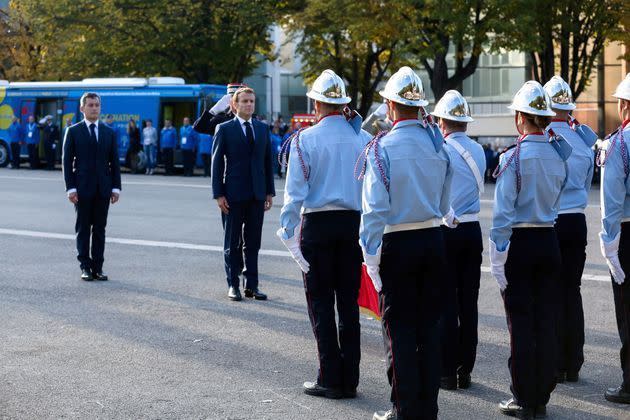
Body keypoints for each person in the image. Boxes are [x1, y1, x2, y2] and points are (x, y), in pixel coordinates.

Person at [361, 66, 453, 420]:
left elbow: (374, 211)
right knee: (428, 327)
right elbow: (445, 204)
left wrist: (370, 257)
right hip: (432, 238)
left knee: (398, 330)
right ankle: (427, 408)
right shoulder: (438, 146)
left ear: (389, 105)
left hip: (397, 243)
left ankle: (403, 409)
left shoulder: (381, 147)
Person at [278, 69, 370, 400]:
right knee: (348, 304)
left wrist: (287, 228)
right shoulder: (363, 138)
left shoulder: (305, 139)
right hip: (352, 225)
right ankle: (350, 378)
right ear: (343, 105)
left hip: (317, 225)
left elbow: (294, 194)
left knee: (319, 303)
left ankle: (329, 376)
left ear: (316, 104)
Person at [490, 81, 570, 419]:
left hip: (522, 243)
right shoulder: (558, 155)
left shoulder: (513, 157)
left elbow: (502, 214)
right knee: (545, 319)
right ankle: (541, 395)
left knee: (520, 323)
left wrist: (497, 254)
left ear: (522, 117)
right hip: (548, 238)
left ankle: (523, 397)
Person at [431, 90, 486, 391]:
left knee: (446, 302)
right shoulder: (477, 150)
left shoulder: (441, 149)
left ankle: (446, 370)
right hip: (472, 230)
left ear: (442, 121)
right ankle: (466, 369)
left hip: (446, 228)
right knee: (469, 302)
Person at [544, 76, 596, 385]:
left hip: (553, 220)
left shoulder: (548, 139)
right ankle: (572, 362)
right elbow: (588, 180)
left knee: (550, 293)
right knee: (572, 292)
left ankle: (554, 362)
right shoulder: (583, 141)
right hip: (577, 218)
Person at [212, 87, 275, 301]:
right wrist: (218, 194)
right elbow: (216, 164)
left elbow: (267, 162)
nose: (249, 104)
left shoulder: (262, 129)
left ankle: (252, 285)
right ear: (234, 105)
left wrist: (269, 192)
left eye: (252, 101)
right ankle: (233, 285)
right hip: (232, 194)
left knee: (253, 242)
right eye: (245, 101)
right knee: (232, 242)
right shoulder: (224, 129)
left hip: (257, 195)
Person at [62, 92, 121, 282]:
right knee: (83, 228)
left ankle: (98, 267)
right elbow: (66, 161)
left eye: (97, 105)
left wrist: (116, 187)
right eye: (90, 105)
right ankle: (85, 267)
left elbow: (115, 162)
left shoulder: (109, 132)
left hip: (103, 189)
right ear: (82, 108)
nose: (94, 108)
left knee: (100, 229)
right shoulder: (73, 131)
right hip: (82, 189)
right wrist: (70, 188)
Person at [599, 72, 630, 404]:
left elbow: (611, 201)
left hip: (627, 230)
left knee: (627, 311)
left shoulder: (619, 143)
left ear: (625, 106)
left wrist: (610, 244)